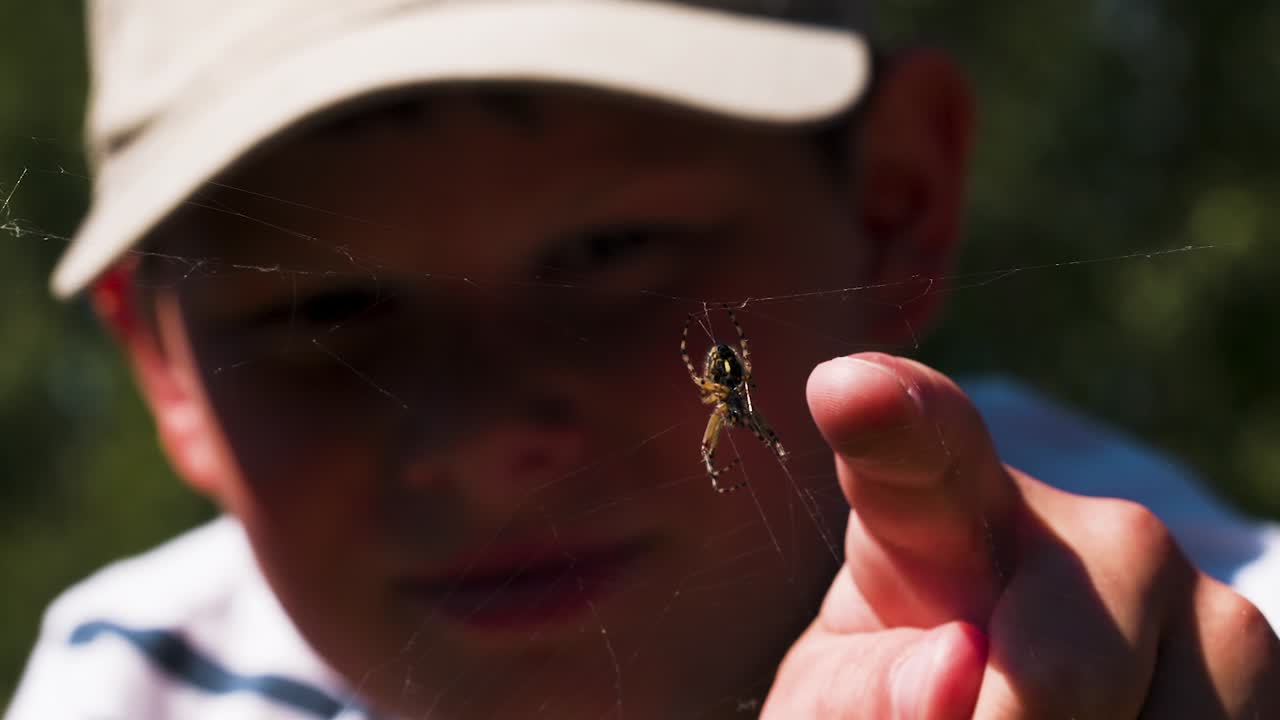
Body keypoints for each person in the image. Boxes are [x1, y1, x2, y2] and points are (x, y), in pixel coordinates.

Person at [8, 0, 1280, 717]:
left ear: (892, 202)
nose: (485, 448)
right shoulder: (128, 679)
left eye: (610, 248)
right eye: (328, 309)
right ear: (163, 367)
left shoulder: (1191, 643)